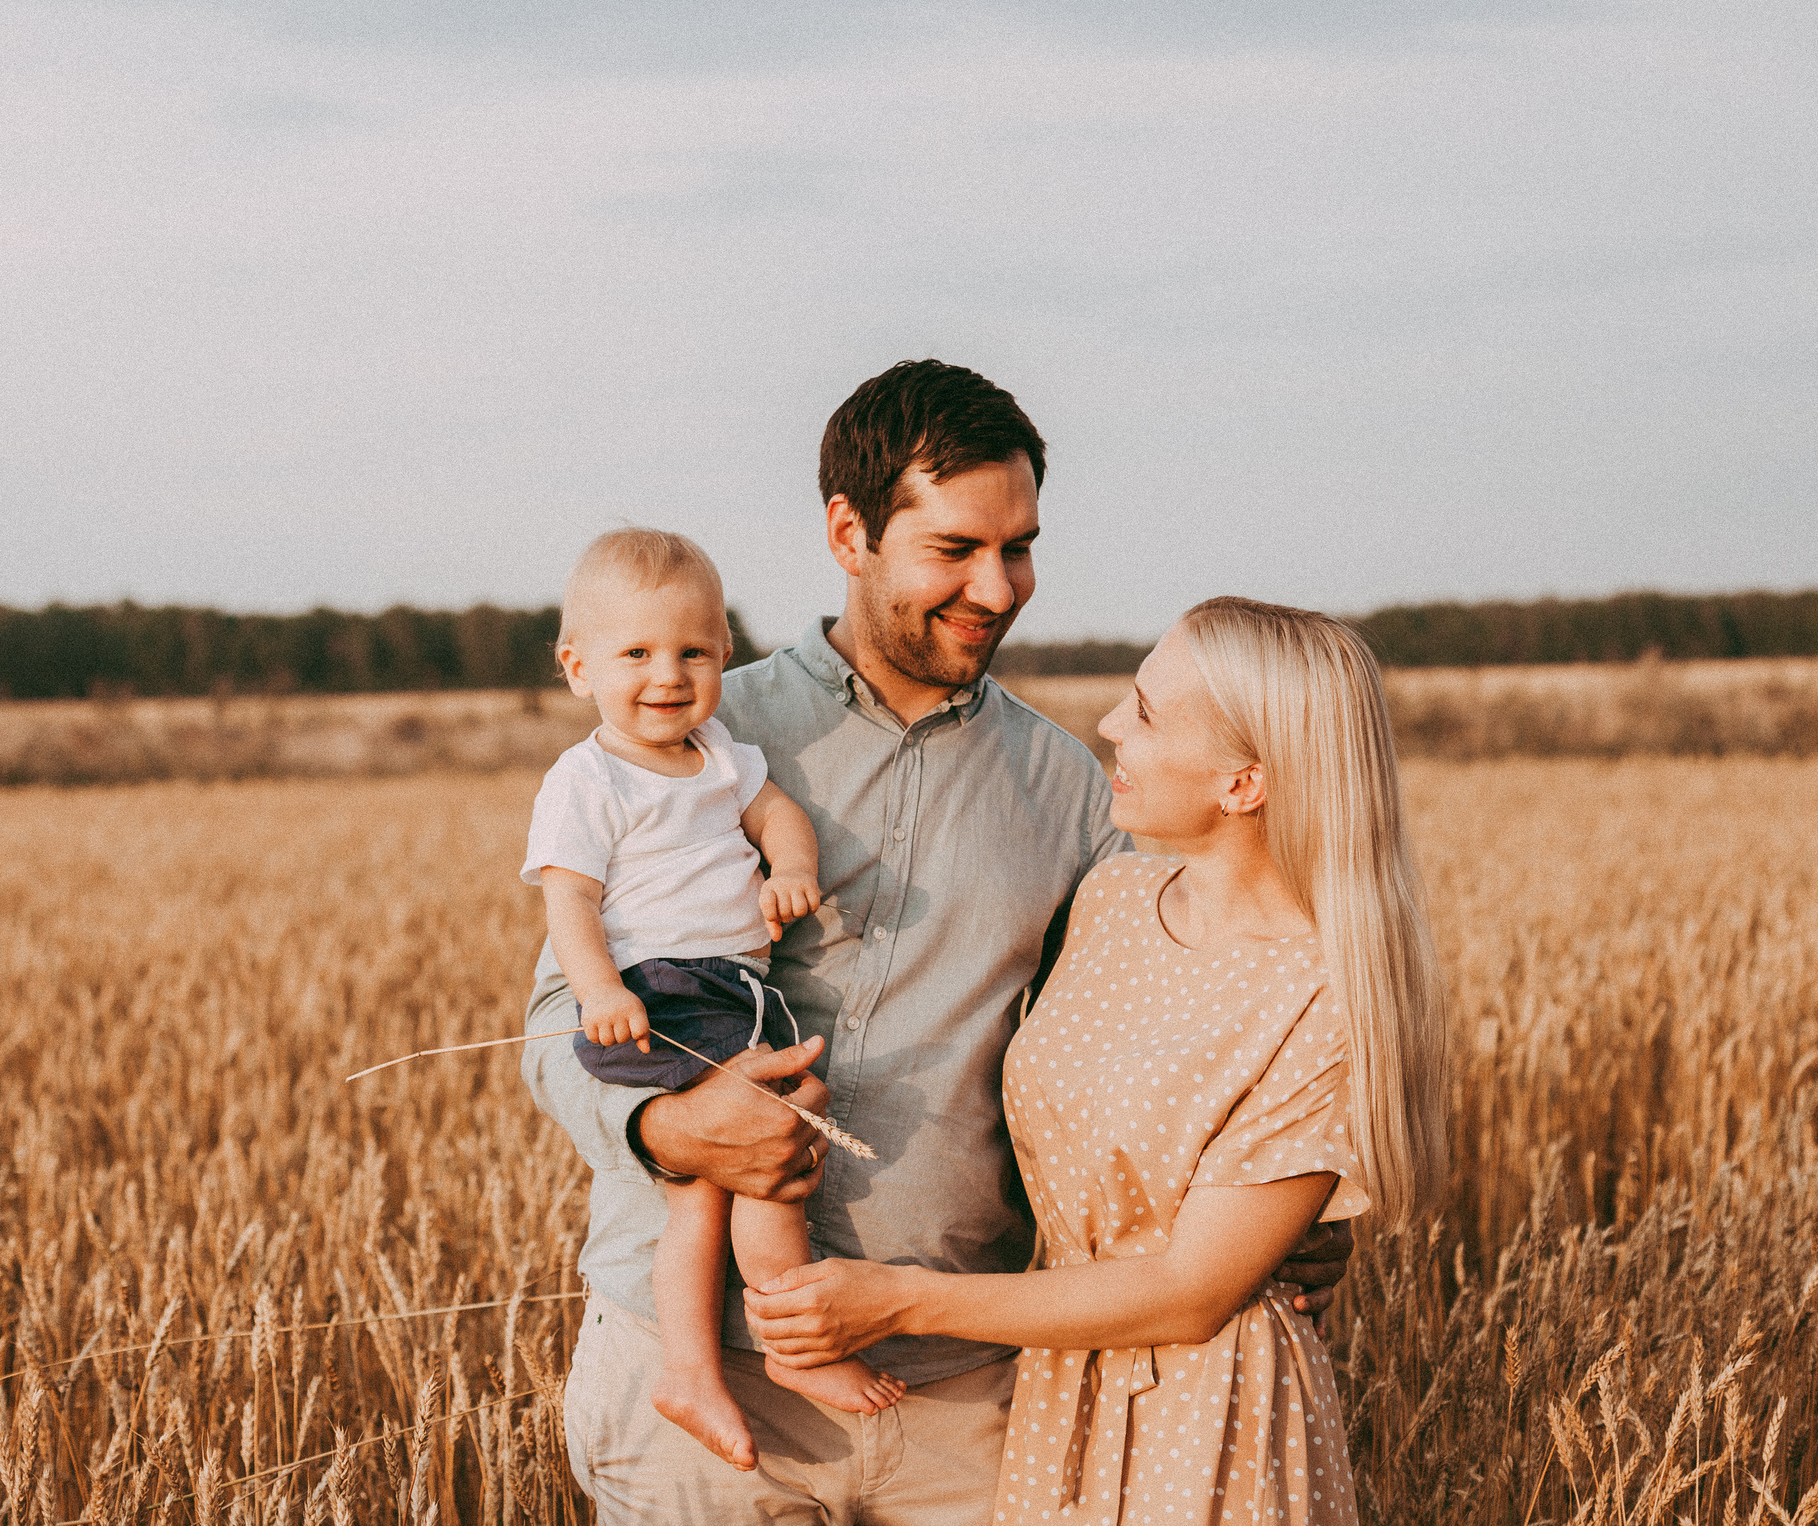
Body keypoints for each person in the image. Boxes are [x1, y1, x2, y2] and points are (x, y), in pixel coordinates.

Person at [522, 362, 1355, 1523]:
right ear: (848, 532)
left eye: (1017, 548)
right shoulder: (705, 731)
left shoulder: (1074, 790)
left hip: (966, 1398)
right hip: (702, 1393)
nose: (996, 586)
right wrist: (663, 1123)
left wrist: (1275, 1210)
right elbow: (559, 1016)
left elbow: (1158, 1034)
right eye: (955, 547)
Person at [745, 598, 1450, 1525]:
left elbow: (1190, 1294)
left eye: (1148, 711)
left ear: (1244, 783)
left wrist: (902, 1299)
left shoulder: (1322, 993)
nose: (1111, 725)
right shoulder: (1115, 897)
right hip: (1051, 1386)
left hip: (1210, 1418)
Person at [524, 528, 907, 1471]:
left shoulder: (723, 755)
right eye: (637, 653)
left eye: (693, 651)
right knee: (709, 1184)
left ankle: (763, 1351)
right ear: (577, 668)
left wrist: (792, 868)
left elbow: (778, 815)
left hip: (737, 994)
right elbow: (568, 897)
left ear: (725, 656)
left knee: (764, 1169)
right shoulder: (588, 776)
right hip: (658, 996)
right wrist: (601, 990)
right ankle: (706, 1364)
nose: (668, 674)